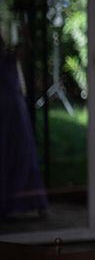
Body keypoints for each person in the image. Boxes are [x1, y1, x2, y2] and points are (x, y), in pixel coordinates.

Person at [0, 34, 48, 219]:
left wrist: (25, 33)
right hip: (9, 112)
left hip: (14, 112)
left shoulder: (10, 58)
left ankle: (36, 203)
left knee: (21, 154)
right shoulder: (10, 58)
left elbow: (25, 49)